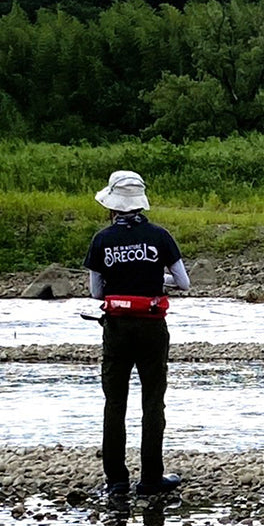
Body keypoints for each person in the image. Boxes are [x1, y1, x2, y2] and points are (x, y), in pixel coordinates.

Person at [84, 170, 191, 497]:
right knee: (152, 403)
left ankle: (116, 481)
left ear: (112, 207)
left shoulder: (101, 240)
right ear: (139, 203)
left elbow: (96, 292)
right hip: (151, 327)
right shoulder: (160, 236)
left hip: (117, 328)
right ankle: (150, 480)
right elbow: (184, 283)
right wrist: (155, 279)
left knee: (114, 404)